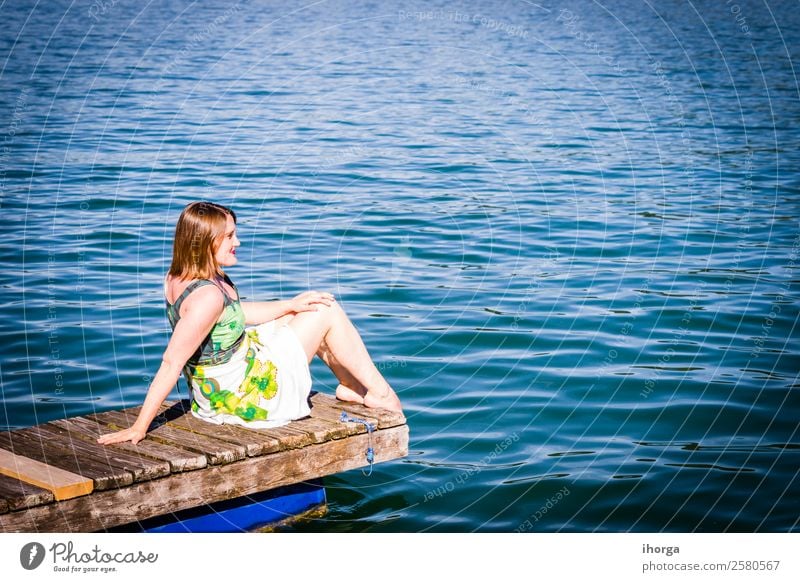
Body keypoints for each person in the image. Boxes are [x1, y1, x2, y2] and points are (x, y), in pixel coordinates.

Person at [98, 201, 402, 446]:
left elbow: (234, 314)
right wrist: (140, 427)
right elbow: (171, 363)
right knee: (327, 310)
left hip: (218, 387)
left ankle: (350, 386)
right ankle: (382, 394)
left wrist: (290, 305)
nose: (238, 242)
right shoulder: (207, 297)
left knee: (302, 312)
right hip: (245, 398)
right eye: (229, 236)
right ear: (205, 242)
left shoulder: (181, 276)